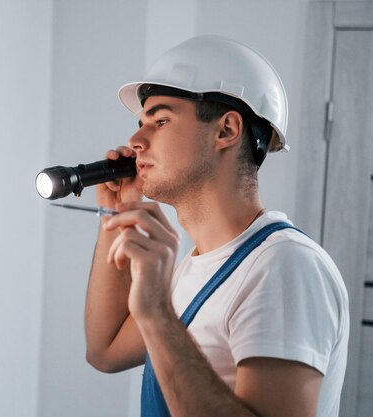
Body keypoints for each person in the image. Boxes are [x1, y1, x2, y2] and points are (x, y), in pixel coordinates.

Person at [84, 36, 349, 417]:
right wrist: (114, 217)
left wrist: (158, 312)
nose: (135, 141)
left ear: (226, 130)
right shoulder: (195, 269)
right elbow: (104, 350)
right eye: (140, 124)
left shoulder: (285, 267)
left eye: (160, 120)